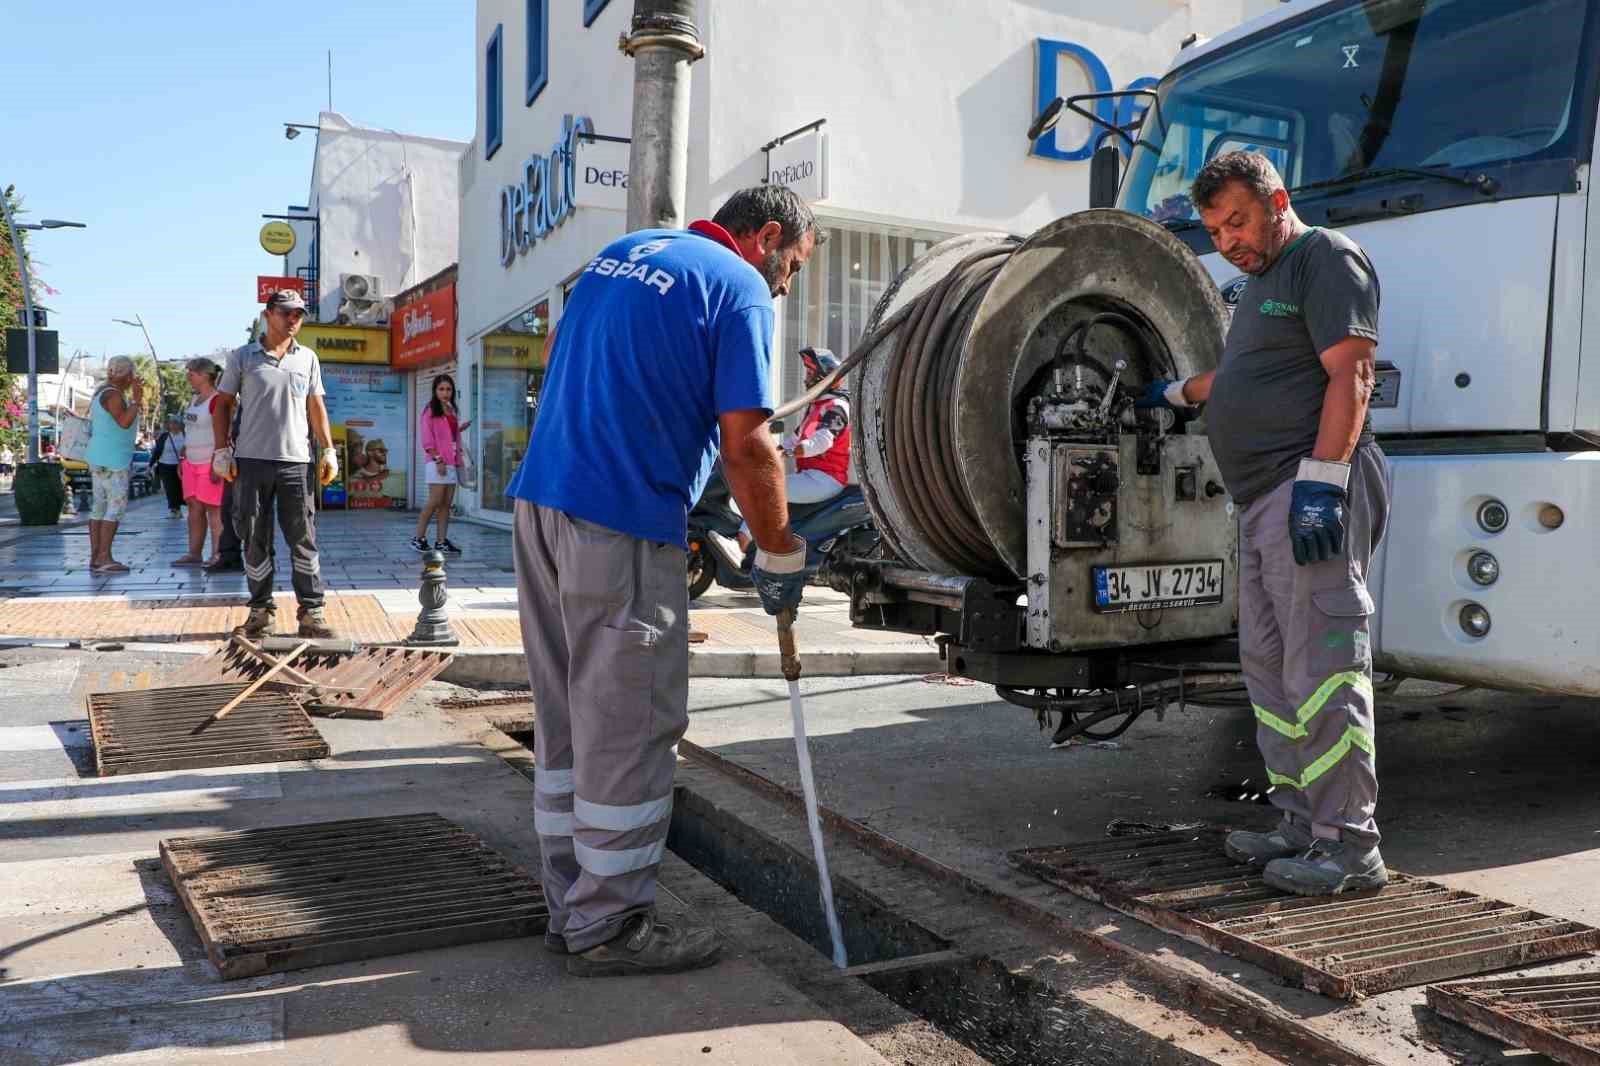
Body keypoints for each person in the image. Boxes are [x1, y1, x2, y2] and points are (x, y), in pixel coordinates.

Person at [510, 185, 818, 977]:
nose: (786, 284)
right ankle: (610, 927)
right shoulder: (740, 286)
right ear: (769, 237)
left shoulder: (625, 253)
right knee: (631, 719)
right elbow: (750, 446)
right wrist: (779, 549)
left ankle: (570, 904)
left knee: (568, 716)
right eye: (794, 267)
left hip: (542, 502)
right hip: (621, 517)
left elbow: (581, 370)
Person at [1138, 151, 1389, 897]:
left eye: (1239, 220)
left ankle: (1350, 846)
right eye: (1216, 229)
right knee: (1273, 671)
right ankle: (1300, 821)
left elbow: (1353, 373)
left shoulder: (1326, 258)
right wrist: (1178, 390)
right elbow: (1249, 373)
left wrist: (1324, 480)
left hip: (1305, 489)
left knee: (1323, 668)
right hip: (1260, 500)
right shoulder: (1260, 285)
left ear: (1279, 199)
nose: (1228, 239)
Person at [213, 289, 339, 639]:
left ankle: (312, 611)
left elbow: (316, 406)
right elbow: (222, 404)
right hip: (251, 461)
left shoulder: (307, 358)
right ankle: (260, 611)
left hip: (296, 462)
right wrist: (221, 451)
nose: (293, 320)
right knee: (254, 536)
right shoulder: (243, 357)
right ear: (268, 314)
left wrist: (328, 450)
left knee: (303, 538)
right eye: (286, 313)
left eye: (298, 314)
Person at [735, 346, 850, 553]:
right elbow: (794, 438)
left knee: (771, 488)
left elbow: (823, 441)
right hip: (811, 475)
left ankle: (743, 546)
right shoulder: (817, 406)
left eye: (809, 373)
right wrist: (773, 449)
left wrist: (789, 453)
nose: (806, 378)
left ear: (822, 378)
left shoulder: (836, 407)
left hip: (826, 479)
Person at [85, 356, 144, 573]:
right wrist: (137, 400)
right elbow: (124, 422)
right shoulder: (113, 395)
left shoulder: (101, 392)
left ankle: (95, 558)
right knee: (115, 508)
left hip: (99, 457)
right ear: (127, 376)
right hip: (113, 460)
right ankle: (104, 557)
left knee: (98, 507)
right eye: (132, 376)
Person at [174, 357, 226, 567]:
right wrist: (183, 456)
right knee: (194, 509)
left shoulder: (218, 399)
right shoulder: (193, 400)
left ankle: (217, 554)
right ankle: (194, 553)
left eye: (191, 373)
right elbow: (190, 430)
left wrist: (217, 461)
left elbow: (224, 432)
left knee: (214, 510)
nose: (188, 376)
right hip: (191, 461)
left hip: (210, 461)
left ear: (205, 375)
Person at [413, 373, 473, 554]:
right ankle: (418, 538)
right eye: (441, 389)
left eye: (448, 389)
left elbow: (448, 435)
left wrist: (460, 427)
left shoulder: (451, 409)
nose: (445, 393)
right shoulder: (430, 410)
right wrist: (438, 458)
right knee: (434, 501)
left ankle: (441, 541)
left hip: (452, 462)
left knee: (446, 504)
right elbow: (427, 438)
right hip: (436, 461)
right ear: (435, 391)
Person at [151, 416, 185, 517]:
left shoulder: (185, 435)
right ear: (169, 425)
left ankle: (179, 506)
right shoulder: (164, 436)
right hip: (165, 465)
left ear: (180, 425)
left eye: (176, 423)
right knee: (169, 488)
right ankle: (174, 510)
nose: (173, 425)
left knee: (180, 488)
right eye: (171, 423)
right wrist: (151, 464)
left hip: (180, 466)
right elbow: (157, 450)